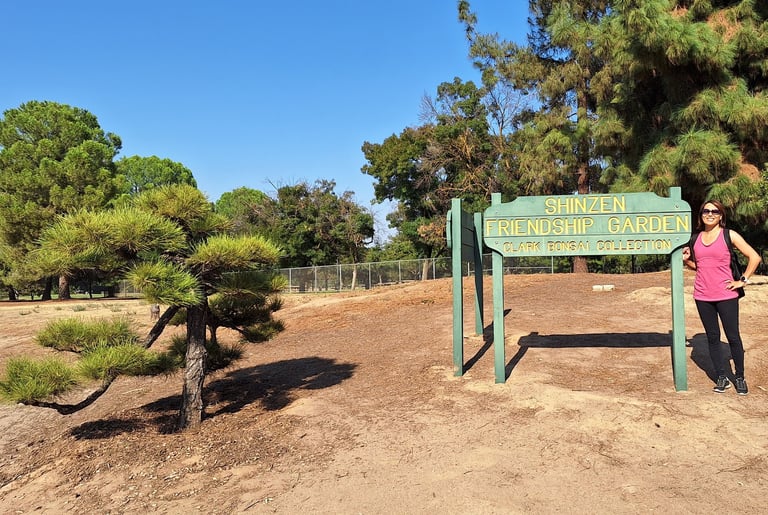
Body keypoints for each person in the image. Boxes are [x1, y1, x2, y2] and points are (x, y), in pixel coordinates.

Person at [682, 200, 761, 395]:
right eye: (706, 211)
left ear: (721, 215)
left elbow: (755, 257)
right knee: (713, 337)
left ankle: (740, 377)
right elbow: (700, 266)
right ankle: (721, 377)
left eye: (714, 211)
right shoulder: (695, 238)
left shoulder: (729, 235)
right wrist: (687, 261)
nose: (710, 214)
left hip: (726, 294)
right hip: (702, 295)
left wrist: (742, 280)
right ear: (701, 215)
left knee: (733, 337)